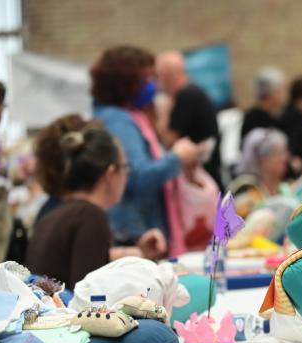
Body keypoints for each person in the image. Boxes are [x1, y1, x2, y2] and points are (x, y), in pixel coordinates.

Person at [26, 127, 161, 288]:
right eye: (125, 168)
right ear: (111, 173)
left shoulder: (54, 215)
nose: (126, 176)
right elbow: (89, 296)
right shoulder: (91, 216)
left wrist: (131, 254)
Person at [91, 45, 198, 245]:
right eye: (147, 78)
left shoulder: (123, 116)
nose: (153, 85)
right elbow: (137, 176)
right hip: (135, 230)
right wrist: (176, 157)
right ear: (125, 82)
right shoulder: (118, 120)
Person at [156, 50, 222, 188]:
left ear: (168, 76)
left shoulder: (186, 96)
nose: (158, 83)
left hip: (202, 178)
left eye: (160, 77)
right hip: (204, 174)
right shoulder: (193, 92)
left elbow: (169, 140)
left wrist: (163, 112)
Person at [228, 127, 292, 218]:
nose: (285, 158)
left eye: (284, 152)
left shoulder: (284, 187)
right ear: (262, 159)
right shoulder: (246, 192)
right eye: (278, 154)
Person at [241, 67, 287, 143]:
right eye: (282, 90)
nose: (285, 94)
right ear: (273, 93)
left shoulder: (277, 115)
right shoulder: (254, 120)